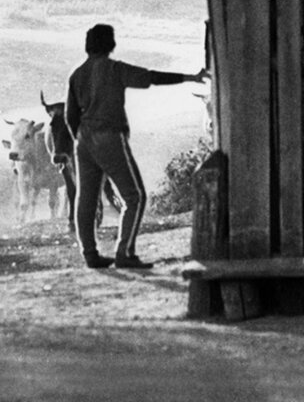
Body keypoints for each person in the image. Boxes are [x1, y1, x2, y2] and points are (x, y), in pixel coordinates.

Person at [66, 23, 206, 271]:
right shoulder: (115, 69)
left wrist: (81, 137)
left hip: (83, 140)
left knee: (85, 200)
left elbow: (70, 115)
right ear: (110, 44)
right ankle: (124, 252)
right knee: (135, 196)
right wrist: (189, 77)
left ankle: (90, 254)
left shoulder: (77, 75)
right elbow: (151, 77)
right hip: (109, 137)